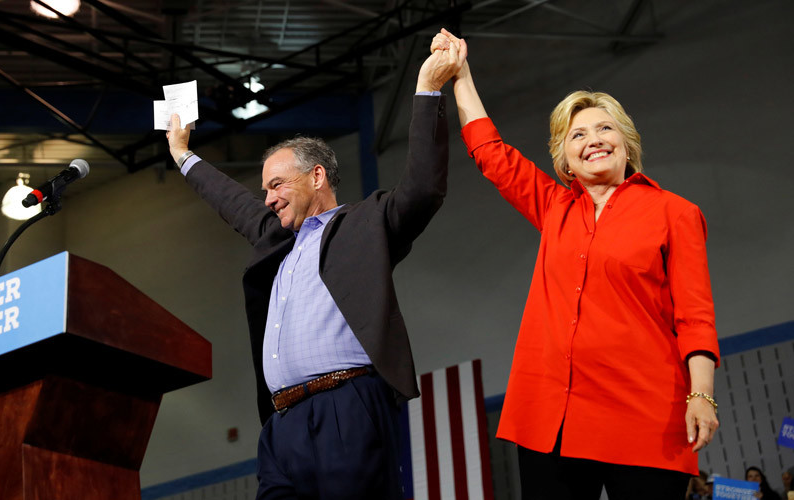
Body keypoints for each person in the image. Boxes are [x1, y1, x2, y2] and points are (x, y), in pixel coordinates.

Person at [165, 44, 464, 499]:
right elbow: (231, 201)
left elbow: (423, 187)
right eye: (265, 189)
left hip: (347, 408)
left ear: (318, 177)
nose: (267, 198)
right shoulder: (276, 238)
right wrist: (182, 153)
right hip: (281, 427)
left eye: (277, 184)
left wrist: (426, 89)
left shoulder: (367, 223)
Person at [432, 28, 720, 499]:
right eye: (577, 135)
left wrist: (701, 395)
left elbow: (696, 316)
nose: (593, 140)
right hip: (551, 418)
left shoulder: (676, 213)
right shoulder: (553, 207)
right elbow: (490, 153)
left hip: (645, 417)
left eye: (604, 128)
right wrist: (461, 73)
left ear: (626, 141)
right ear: (564, 159)